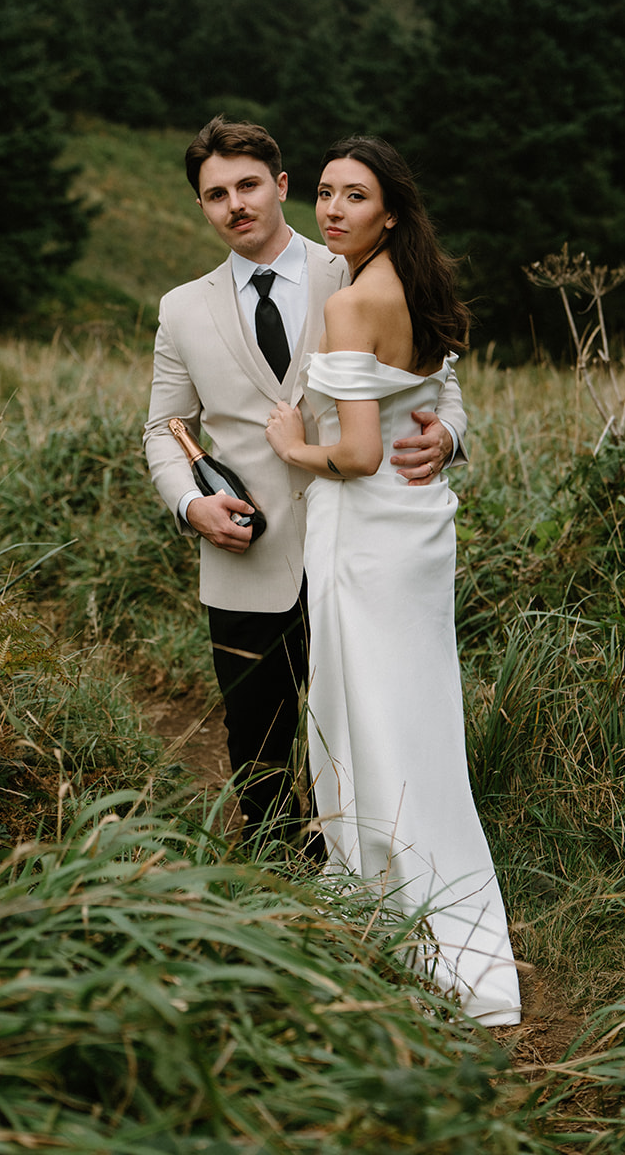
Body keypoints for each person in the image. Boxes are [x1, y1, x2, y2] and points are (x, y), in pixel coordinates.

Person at [143, 115, 467, 843]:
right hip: (245, 558)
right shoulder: (180, 309)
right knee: (255, 739)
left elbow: (436, 377)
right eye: (216, 193)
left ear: (281, 185)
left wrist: (448, 435)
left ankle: (369, 862)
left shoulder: (353, 263)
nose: (236, 204)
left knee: (361, 724)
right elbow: (160, 428)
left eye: (249, 185)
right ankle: (274, 884)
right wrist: (192, 504)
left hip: (352, 549)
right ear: (201, 206)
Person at [264, 135, 522, 1027]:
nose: (332, 209)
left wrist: (296, 446)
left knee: (359, 705)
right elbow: (437, 395)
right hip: (419, 532)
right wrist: (445, 436)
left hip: (367, 529)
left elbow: (360, 451)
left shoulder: (349, 304)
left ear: (391, 212)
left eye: (353, 197)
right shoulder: (418, 286)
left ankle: (385, 896)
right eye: (326, 193)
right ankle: (414, 879)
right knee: (413, 706)